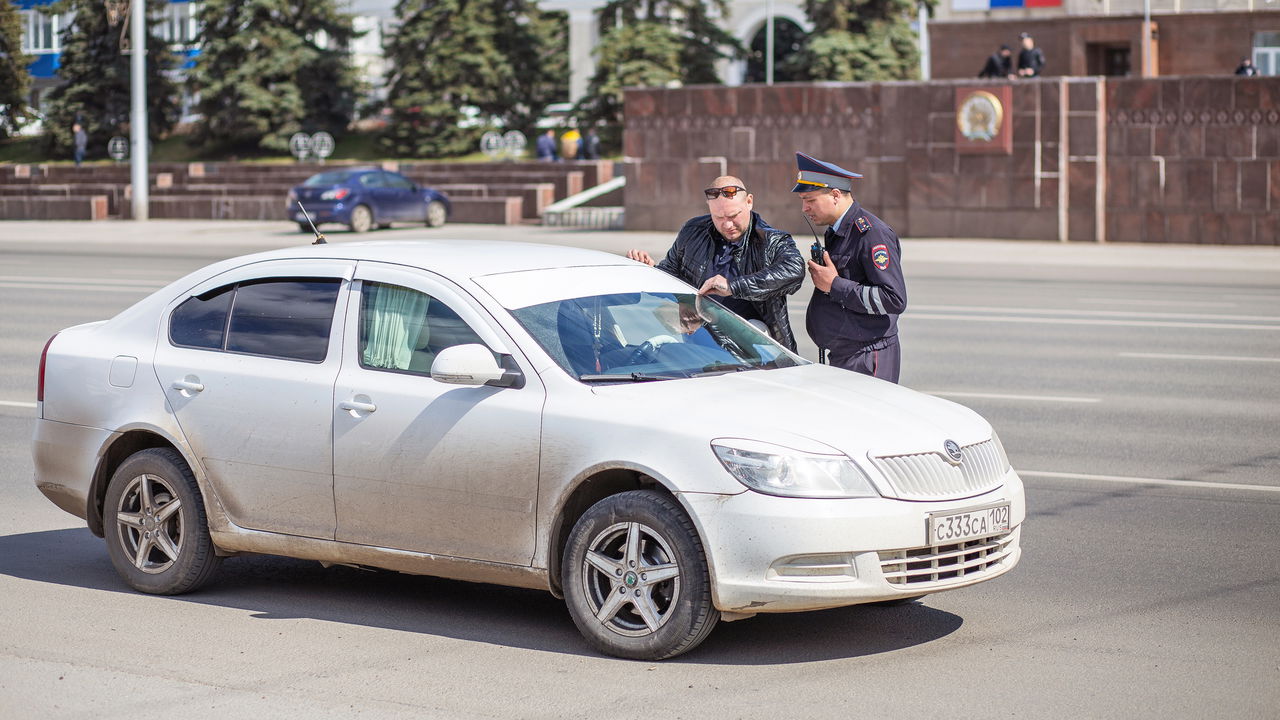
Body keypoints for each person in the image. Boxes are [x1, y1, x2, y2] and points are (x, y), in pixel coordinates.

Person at [625, 176, 805, 350]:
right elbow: (671, 274)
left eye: (733, 215)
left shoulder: (771, 240)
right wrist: (649, 270)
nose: (727, 225)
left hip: (754, 350)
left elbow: (794, 269)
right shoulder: (693, 230)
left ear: (749, 202)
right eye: (718, 217)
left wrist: (733, 286)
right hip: (700, 342)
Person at [794, 152, 907, 383]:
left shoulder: (871, 233)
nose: (805, 208)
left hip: (867, 356)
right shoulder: (837, 230)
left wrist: (834, 285)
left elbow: (894, 299)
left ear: (835, 195)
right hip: (848, 354)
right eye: (803, 201)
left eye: (810, 200)